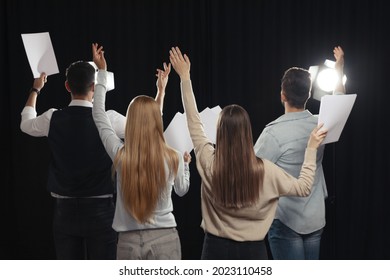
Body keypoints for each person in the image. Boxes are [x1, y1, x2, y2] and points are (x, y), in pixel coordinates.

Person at [169, 46, 328, 260]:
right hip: (254, 253)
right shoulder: (266, 171)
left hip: (214, 250)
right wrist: (310, 149)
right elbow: (304, 187)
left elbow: (194, 123)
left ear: (219, 133)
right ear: (247, 133)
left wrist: (185, 78)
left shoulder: (209, 161)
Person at [91, 43, 191, 260]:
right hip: (166, 238)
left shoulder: (121, 155)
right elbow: (182, 191)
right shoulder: (172, 156)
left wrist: (102, 73)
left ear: (131, 123)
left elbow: (98, 115)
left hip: (128, 242)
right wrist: (185, 165)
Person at [20, 60, 125, 259]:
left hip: (64, 211)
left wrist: (36, 88)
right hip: (101, 209)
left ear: (67, 86)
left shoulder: (52, 118)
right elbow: (144, 127)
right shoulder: (109, 119)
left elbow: (25, 124)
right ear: (94, 86)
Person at [253, 46, 346, 260]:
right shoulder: (322, 123)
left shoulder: (272, 133)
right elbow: (339, 100)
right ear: (309, 94)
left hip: (285, 219)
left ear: (282, 95)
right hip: (314, 217)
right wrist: (339, 68)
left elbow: (251, 171)